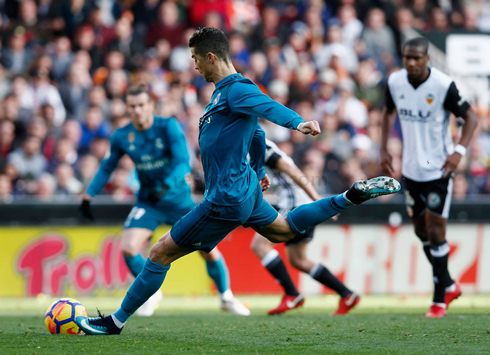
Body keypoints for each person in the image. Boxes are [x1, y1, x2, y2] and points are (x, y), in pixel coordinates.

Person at [76, 27, 400, 335]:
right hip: (245, 190)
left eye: (195, 58)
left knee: (160, 252)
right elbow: (256, 134)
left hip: (226, 197)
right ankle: (352, 195)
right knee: (284, 230)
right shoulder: (222, 95)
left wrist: (299, 123)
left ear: (210, 58)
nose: (194, 65)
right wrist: (259, 172)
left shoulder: (237, 89)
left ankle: (114, 322)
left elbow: (268, 108)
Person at [79, 85, 251, 317]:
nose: (137, 110)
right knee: (129, 248)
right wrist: (89, 194)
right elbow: (107, 166)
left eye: (141, 105)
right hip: (149, 202)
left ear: (151, 105)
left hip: (178, 201)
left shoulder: (168, 126)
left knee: (208, 250)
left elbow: (182, 161)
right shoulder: (122, 136)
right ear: (127, 108)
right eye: (132, 106)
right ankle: (150, 293)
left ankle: (226, 297)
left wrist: (166, 186)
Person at [380, 37, 478, 318]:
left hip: (438, 170)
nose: (410, 63)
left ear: (427, 59)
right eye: (406, 57)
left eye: (416, 58)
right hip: (411, 170)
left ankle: (439, 300)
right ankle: (448, 283)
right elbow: (387, 112)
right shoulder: (395, 82)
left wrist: (459, 151)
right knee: (421, 231)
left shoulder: (443, 85)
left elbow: (471, 118)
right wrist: (383, 148)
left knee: (436, 231)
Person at [251, 139, 360, 315]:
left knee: (259, 245)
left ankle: (292, 294)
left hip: (296, 202)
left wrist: (318, 201)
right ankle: (347, 294)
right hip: (300, 201)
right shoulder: (247, 141)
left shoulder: (257, 143)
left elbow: (293, 171)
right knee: (298, 260)